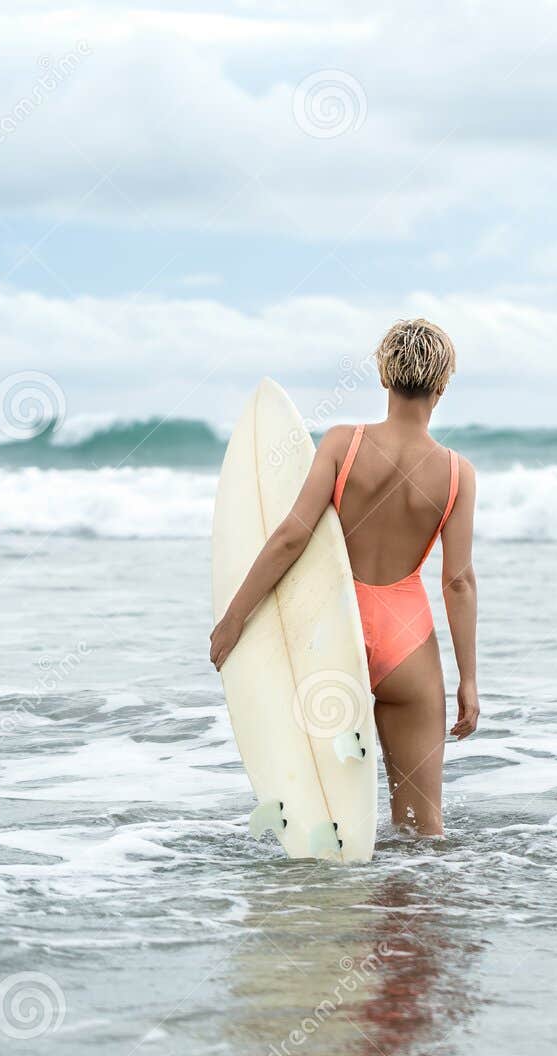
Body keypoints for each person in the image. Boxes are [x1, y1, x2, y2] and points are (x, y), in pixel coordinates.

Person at [209, 319, 478, 836]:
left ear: (384, 376)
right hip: (408, 647)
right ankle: (418, 912)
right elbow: (459, 581)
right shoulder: (456, 473)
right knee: (422, 827)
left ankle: (324, 909)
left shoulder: (341, 444)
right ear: (442, 386)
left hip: (332, 632)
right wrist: (469, 680)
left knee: (318, 811)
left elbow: (292, 536)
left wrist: (234, 617)